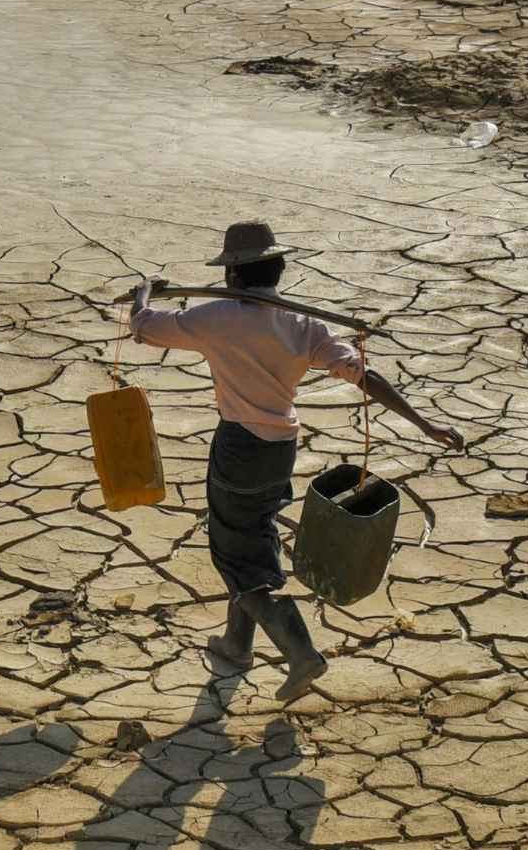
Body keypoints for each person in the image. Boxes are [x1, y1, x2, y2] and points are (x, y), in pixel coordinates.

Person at [131, 220, 464, 701]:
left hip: (239, 446)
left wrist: (144, 293)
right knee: (252, 535)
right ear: (279, 271)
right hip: (280, 448)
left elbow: (145, 329)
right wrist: (424, 423)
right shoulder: (304, 324)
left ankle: (301, 652)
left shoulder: (216, 318)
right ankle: (235, 645)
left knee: (233, 550)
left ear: (232, 277)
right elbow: (362, 375)